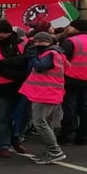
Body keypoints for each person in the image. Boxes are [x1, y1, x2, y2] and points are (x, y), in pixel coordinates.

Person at [0, 20, 29, 157]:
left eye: (0, 34)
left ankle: (16, 140)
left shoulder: (22, 43)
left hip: (20, 87)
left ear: (9, 33)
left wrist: (8, 64)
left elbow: (26, 61)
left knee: (21, 117)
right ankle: (3, 145)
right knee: (2, 117)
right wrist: (16, 71)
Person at [19, 32, 68, 164]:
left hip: (45, 93)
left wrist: (33, 57)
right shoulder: (57, 53)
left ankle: (55, 151)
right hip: (51, 92)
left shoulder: (50, 54)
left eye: (39, 42)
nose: (36, 45)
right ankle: (50, 151)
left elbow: (40, 67)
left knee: (40, 122)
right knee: (46, 122)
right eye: (35, 42)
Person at [58, 18, 87, 145]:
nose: (69, 29)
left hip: (71, 77)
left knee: (69, 107)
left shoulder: (70, 41)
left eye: (70, 26)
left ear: (76, 28)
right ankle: (83, 136)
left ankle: (67, 135)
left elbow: (62, 59)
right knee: (84, 107)